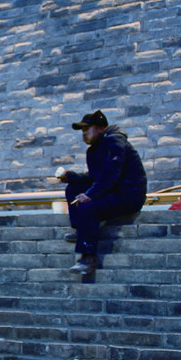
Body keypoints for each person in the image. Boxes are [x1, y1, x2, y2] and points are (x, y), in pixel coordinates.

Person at [58, 109, 148, 275]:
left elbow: (111, 172)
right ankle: (81, 230)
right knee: (73, 189)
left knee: (87, 207)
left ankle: (88, 259)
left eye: (87, 129)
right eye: (82, 130)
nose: (84, 133)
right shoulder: (94, 149)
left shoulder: (114, 141)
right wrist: (71, 177)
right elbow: (95, 176)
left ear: (100, 128)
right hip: (113, 191)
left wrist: (90, 195)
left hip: (128, 194)